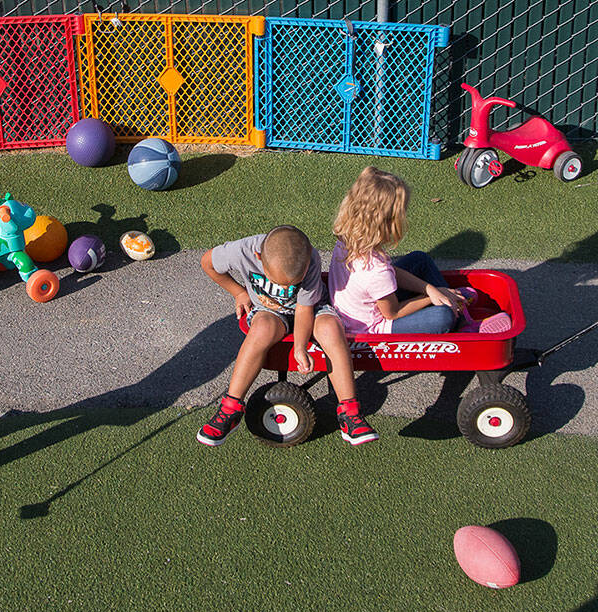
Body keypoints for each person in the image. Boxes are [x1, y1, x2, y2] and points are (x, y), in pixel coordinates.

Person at [199, 224, 377, 446]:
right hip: (269, 310)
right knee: (261, 329)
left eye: (292, 284)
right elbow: (208, 263)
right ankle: (230, 408)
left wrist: (300, 347)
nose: (285, 289)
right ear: (258, 257)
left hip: (312, 308)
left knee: (331, 328)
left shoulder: (309, 257)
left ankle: (350, 413)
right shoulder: (242, 251)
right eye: (278, 283)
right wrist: (239, 292)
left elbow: (304, 308)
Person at [328, 166, 512, 336]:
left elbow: (390, 275)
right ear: (388, 222)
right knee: (442, 316)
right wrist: (430, 297)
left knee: (419, 259)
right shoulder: (376, 271)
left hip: (357, 308)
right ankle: (462, 322)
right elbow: (393, 313)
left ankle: (455, 305)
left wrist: (432, 289)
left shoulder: (347, 238)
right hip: (370, 327)